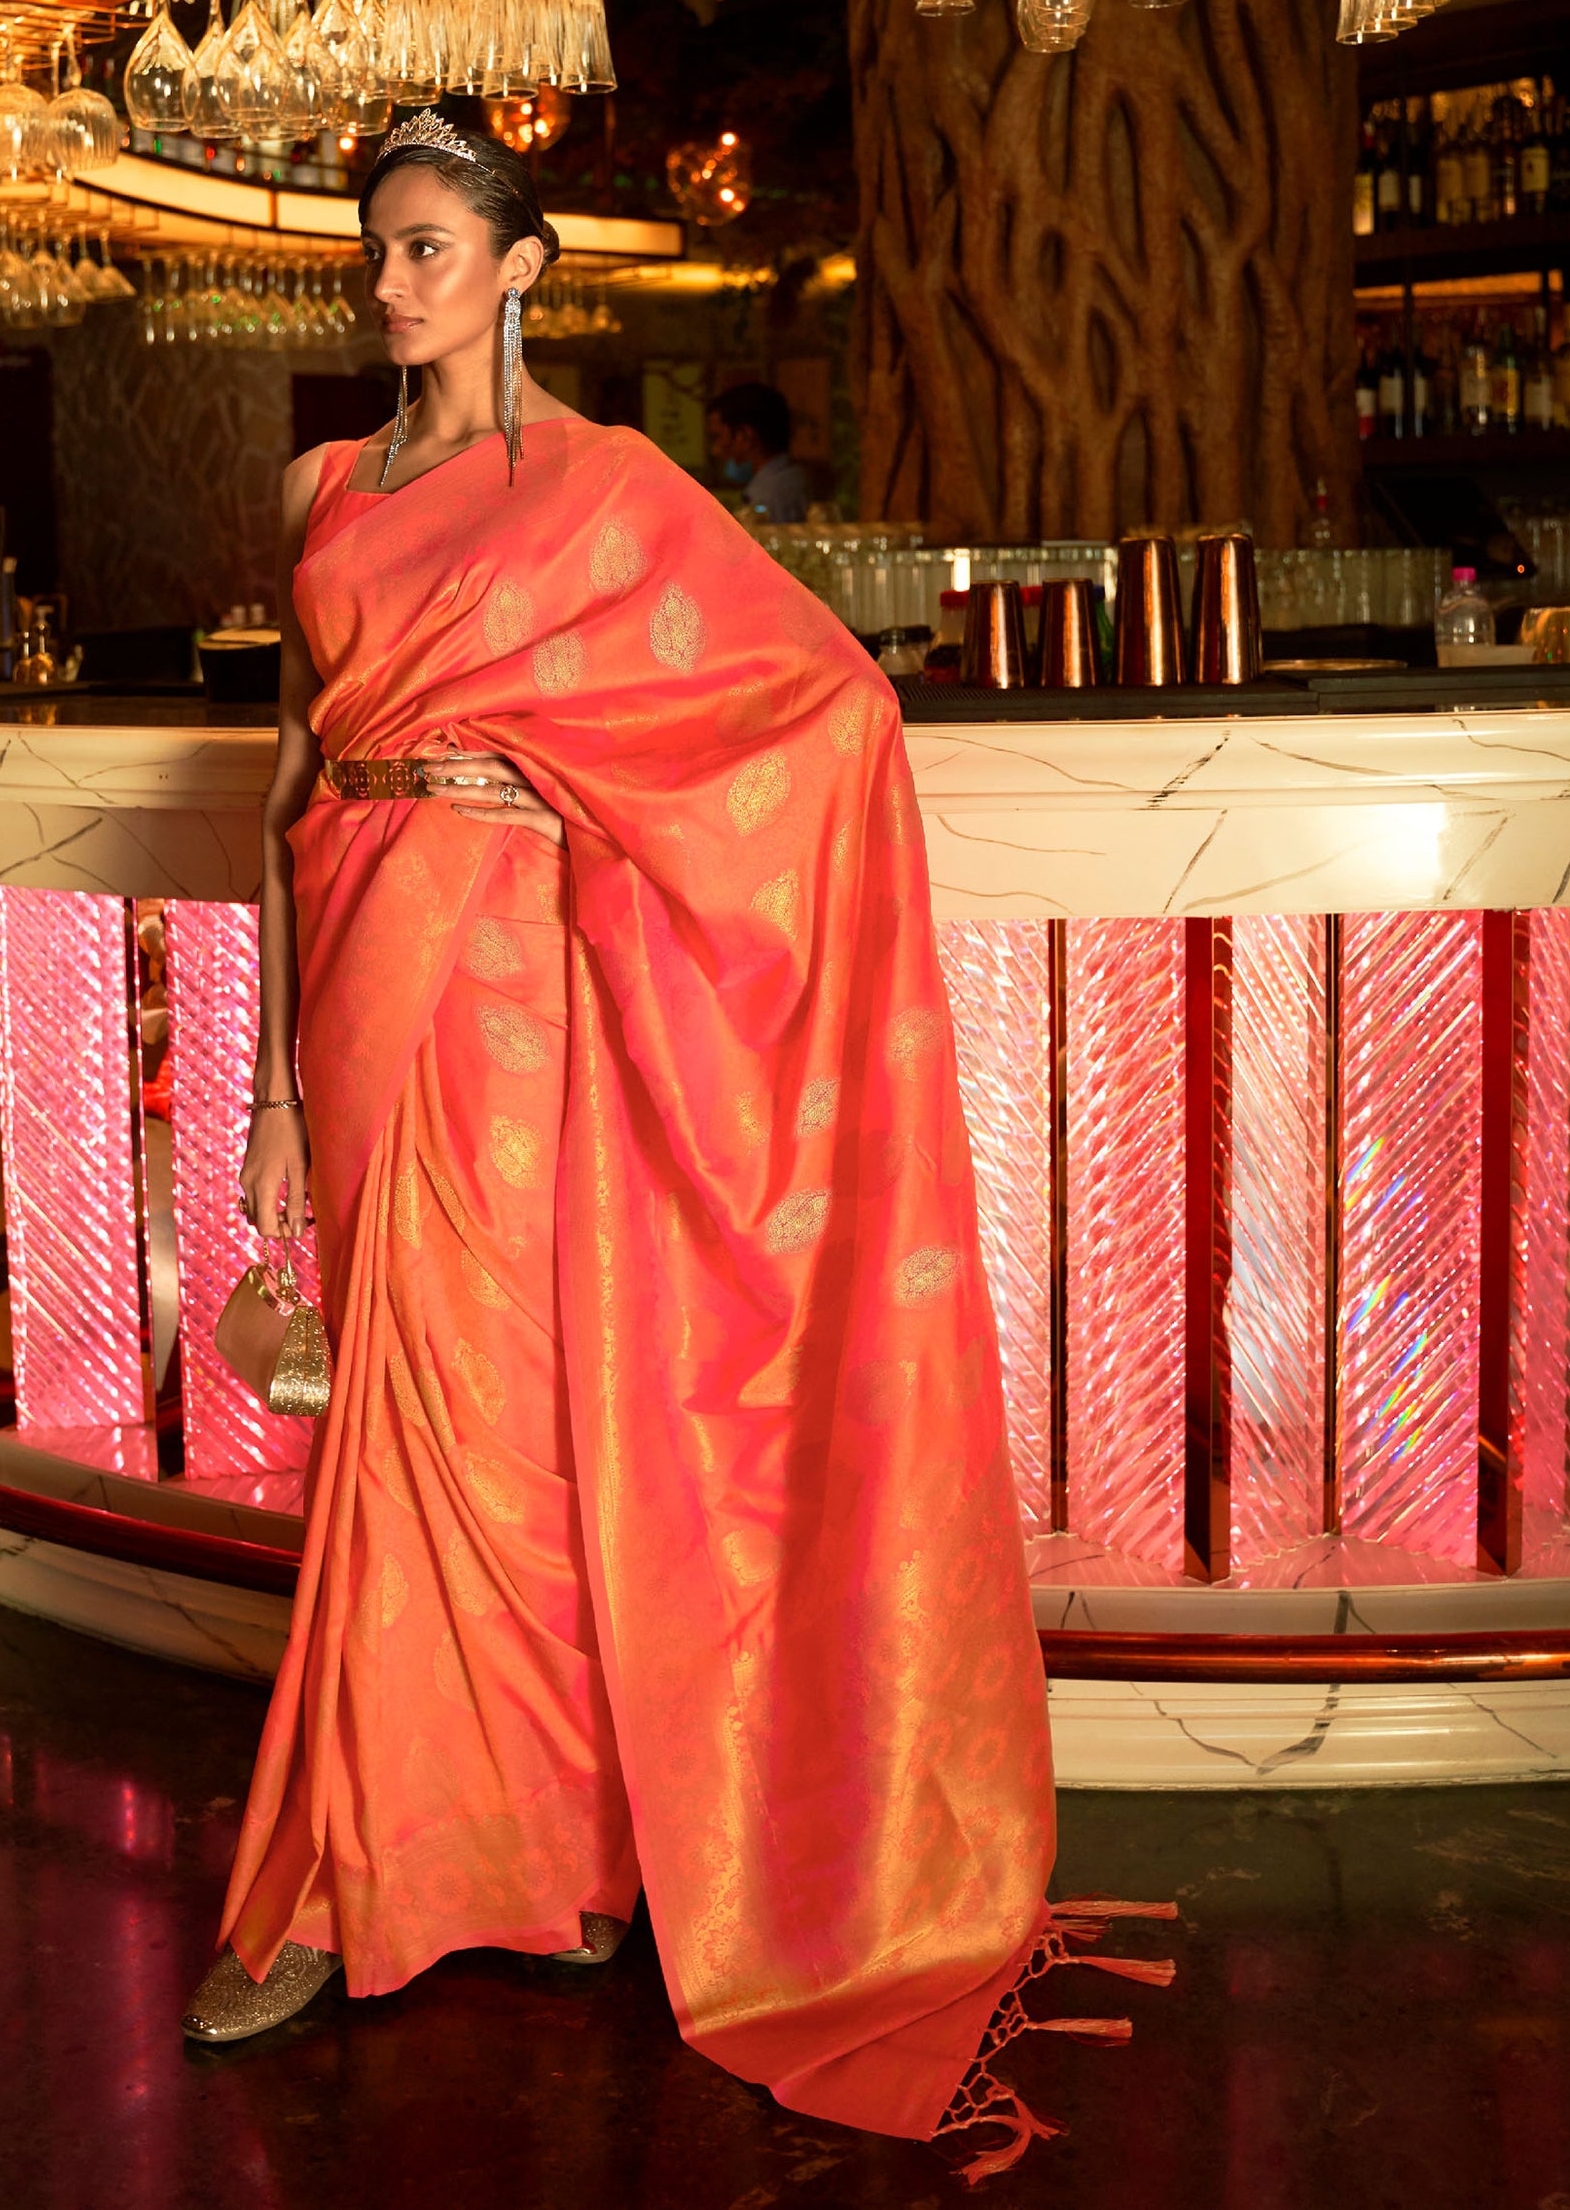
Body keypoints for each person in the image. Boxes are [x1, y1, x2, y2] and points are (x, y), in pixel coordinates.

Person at [182, 112, 1172, 2176]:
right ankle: (365, 1864)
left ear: (520, 267)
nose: (392, 281)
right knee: (389, 1415)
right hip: (362, 971)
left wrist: (584, 805)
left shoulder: (615, 488)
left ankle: (533, 1858)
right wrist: (268, 1081)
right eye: (378, 248)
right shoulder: (317, 486)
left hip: (522, 989)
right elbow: (285, 785)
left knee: (523, 1420)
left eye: (430, 247)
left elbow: (818, 710)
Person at [706, 381, 809, 521]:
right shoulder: (791, 478)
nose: (716, 451)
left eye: (718, 436)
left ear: (745, 435)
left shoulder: (769, 493)